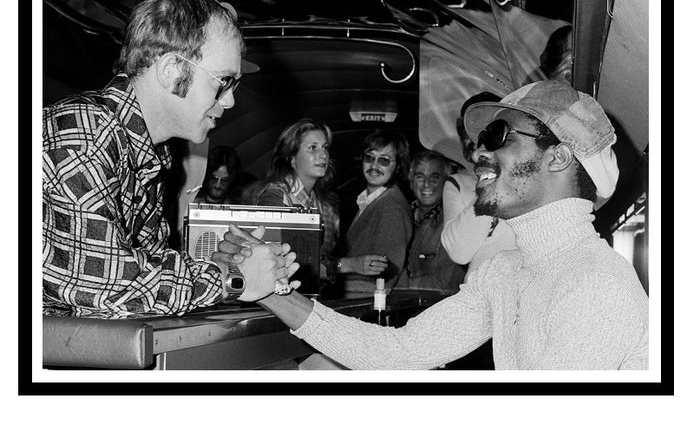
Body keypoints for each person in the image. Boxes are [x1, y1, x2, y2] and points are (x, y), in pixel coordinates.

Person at [221, 80, 649, 370]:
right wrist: (271, 290)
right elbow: (402, 350)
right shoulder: (505, 272)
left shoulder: (595, 284)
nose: (479, 151)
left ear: (557, 157)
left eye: (499, 135)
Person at [43, 0, 297, 318]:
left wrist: (218, 265)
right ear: (171, 71)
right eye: (223, 82)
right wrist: (232, 280)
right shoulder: (83, 133)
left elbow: (146, 268)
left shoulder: (150, 153)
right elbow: (104, 283)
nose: (231, 100)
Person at [248, 118, 340, 281]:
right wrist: (343, 265)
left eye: (325, 148)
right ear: (291, 158)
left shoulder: (319, 202)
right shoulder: (275, 195)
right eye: (312, 148)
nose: (323, 154)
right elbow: (271, 257)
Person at [441, 92, 517, 279]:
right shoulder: (457, 183)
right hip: (477, 291)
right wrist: (488, 184)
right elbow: (459, 252)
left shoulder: (524, 176)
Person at [330, 129, 413, 297]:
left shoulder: (392, 208)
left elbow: (383, 278)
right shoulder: (370, 201)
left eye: (384, 160)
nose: (374, 166)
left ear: (398, 167)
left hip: (362, 306)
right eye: (369, 157)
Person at [395, 150, 466, 293]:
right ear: (411, 179)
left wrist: (395, 285)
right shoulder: (400, 214)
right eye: (420, 177)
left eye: (435, 177)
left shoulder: (453, 222)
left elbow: (446, 284)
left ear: (446, 181)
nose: (426, 184)